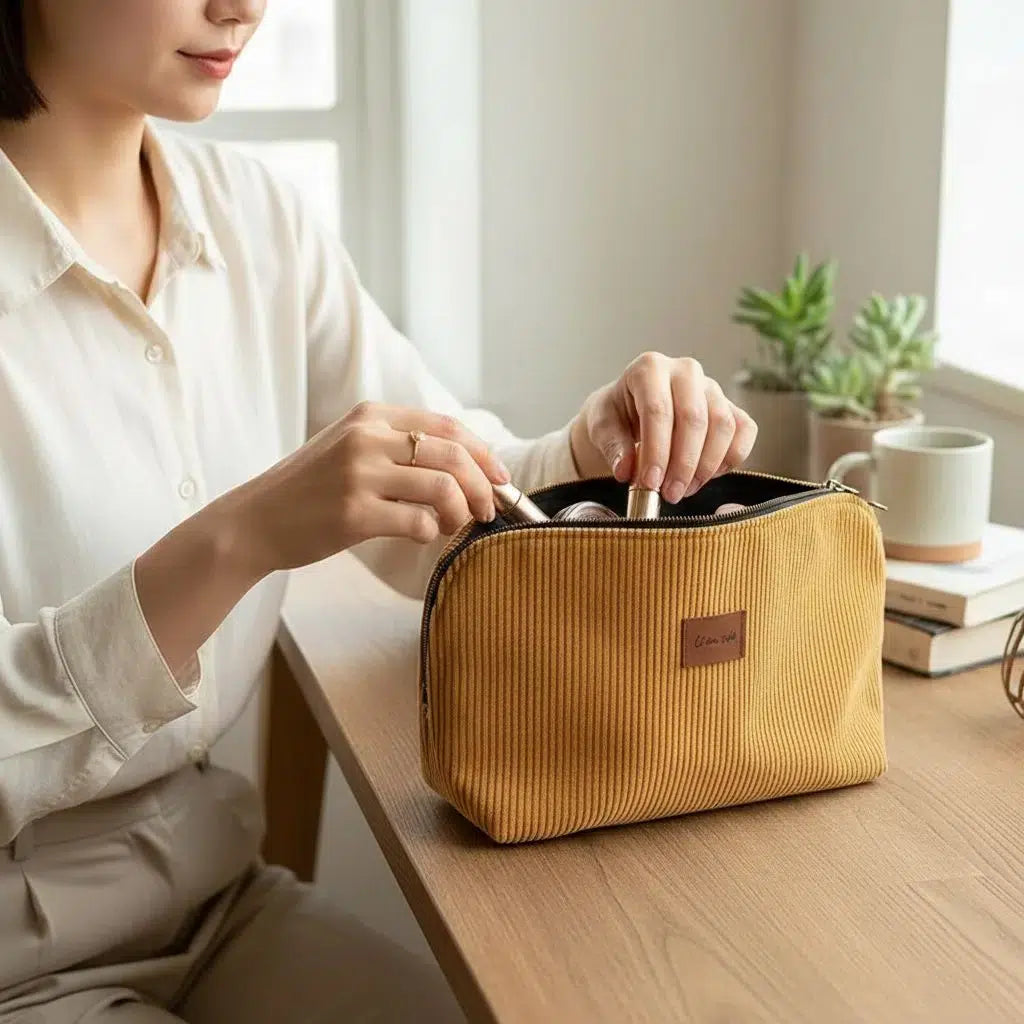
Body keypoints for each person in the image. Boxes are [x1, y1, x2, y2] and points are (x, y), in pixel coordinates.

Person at [0, 1, 758, 1020]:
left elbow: (449, 494)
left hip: (217, 899)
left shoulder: (254, 220)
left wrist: (592, 450)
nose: (244, 6)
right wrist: (242, 538)